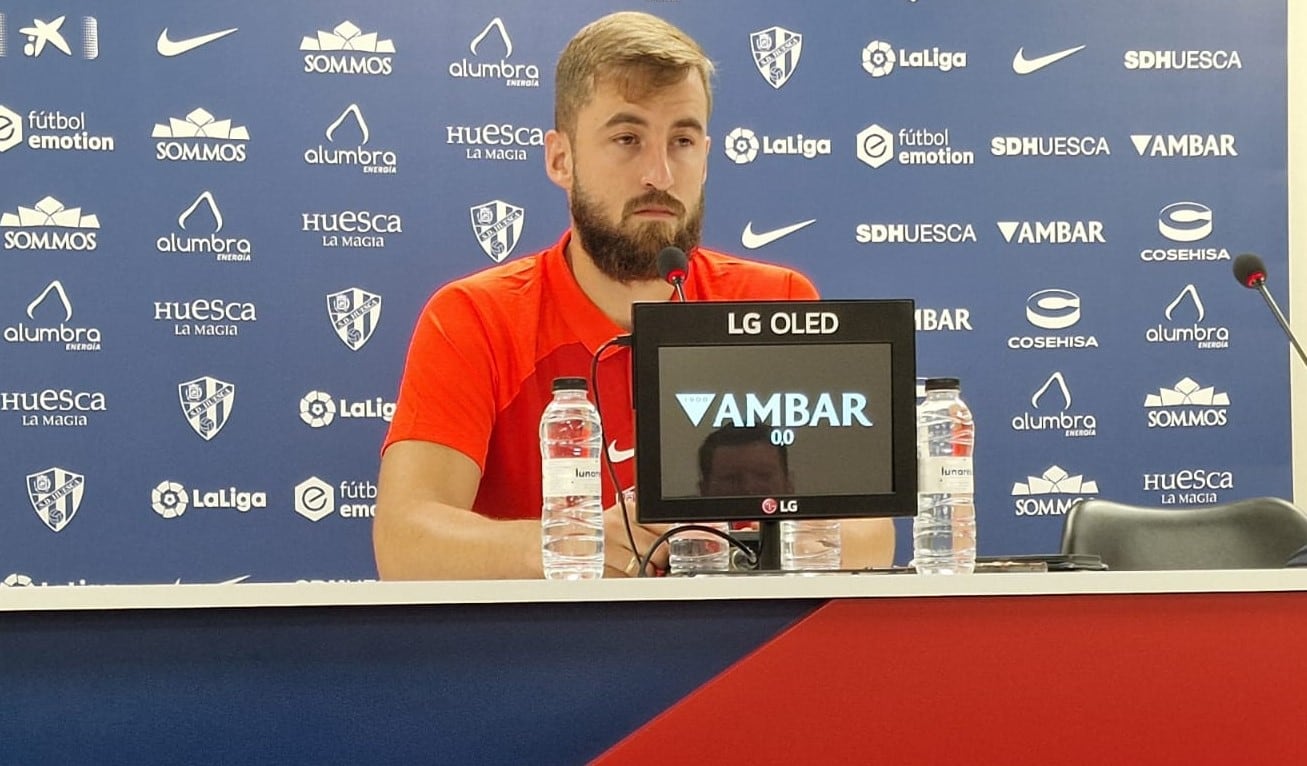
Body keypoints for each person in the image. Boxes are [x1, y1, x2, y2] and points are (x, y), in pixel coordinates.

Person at [374, 11, 894, 579]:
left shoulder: (774, 302)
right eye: (628, 138)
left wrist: (737, 538)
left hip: (739, 655)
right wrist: (572, 543)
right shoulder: (476, 316)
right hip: (547, 658)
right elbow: (405, 543)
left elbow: (871, 533)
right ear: (560, 159)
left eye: (683, 140)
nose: (660, 174)